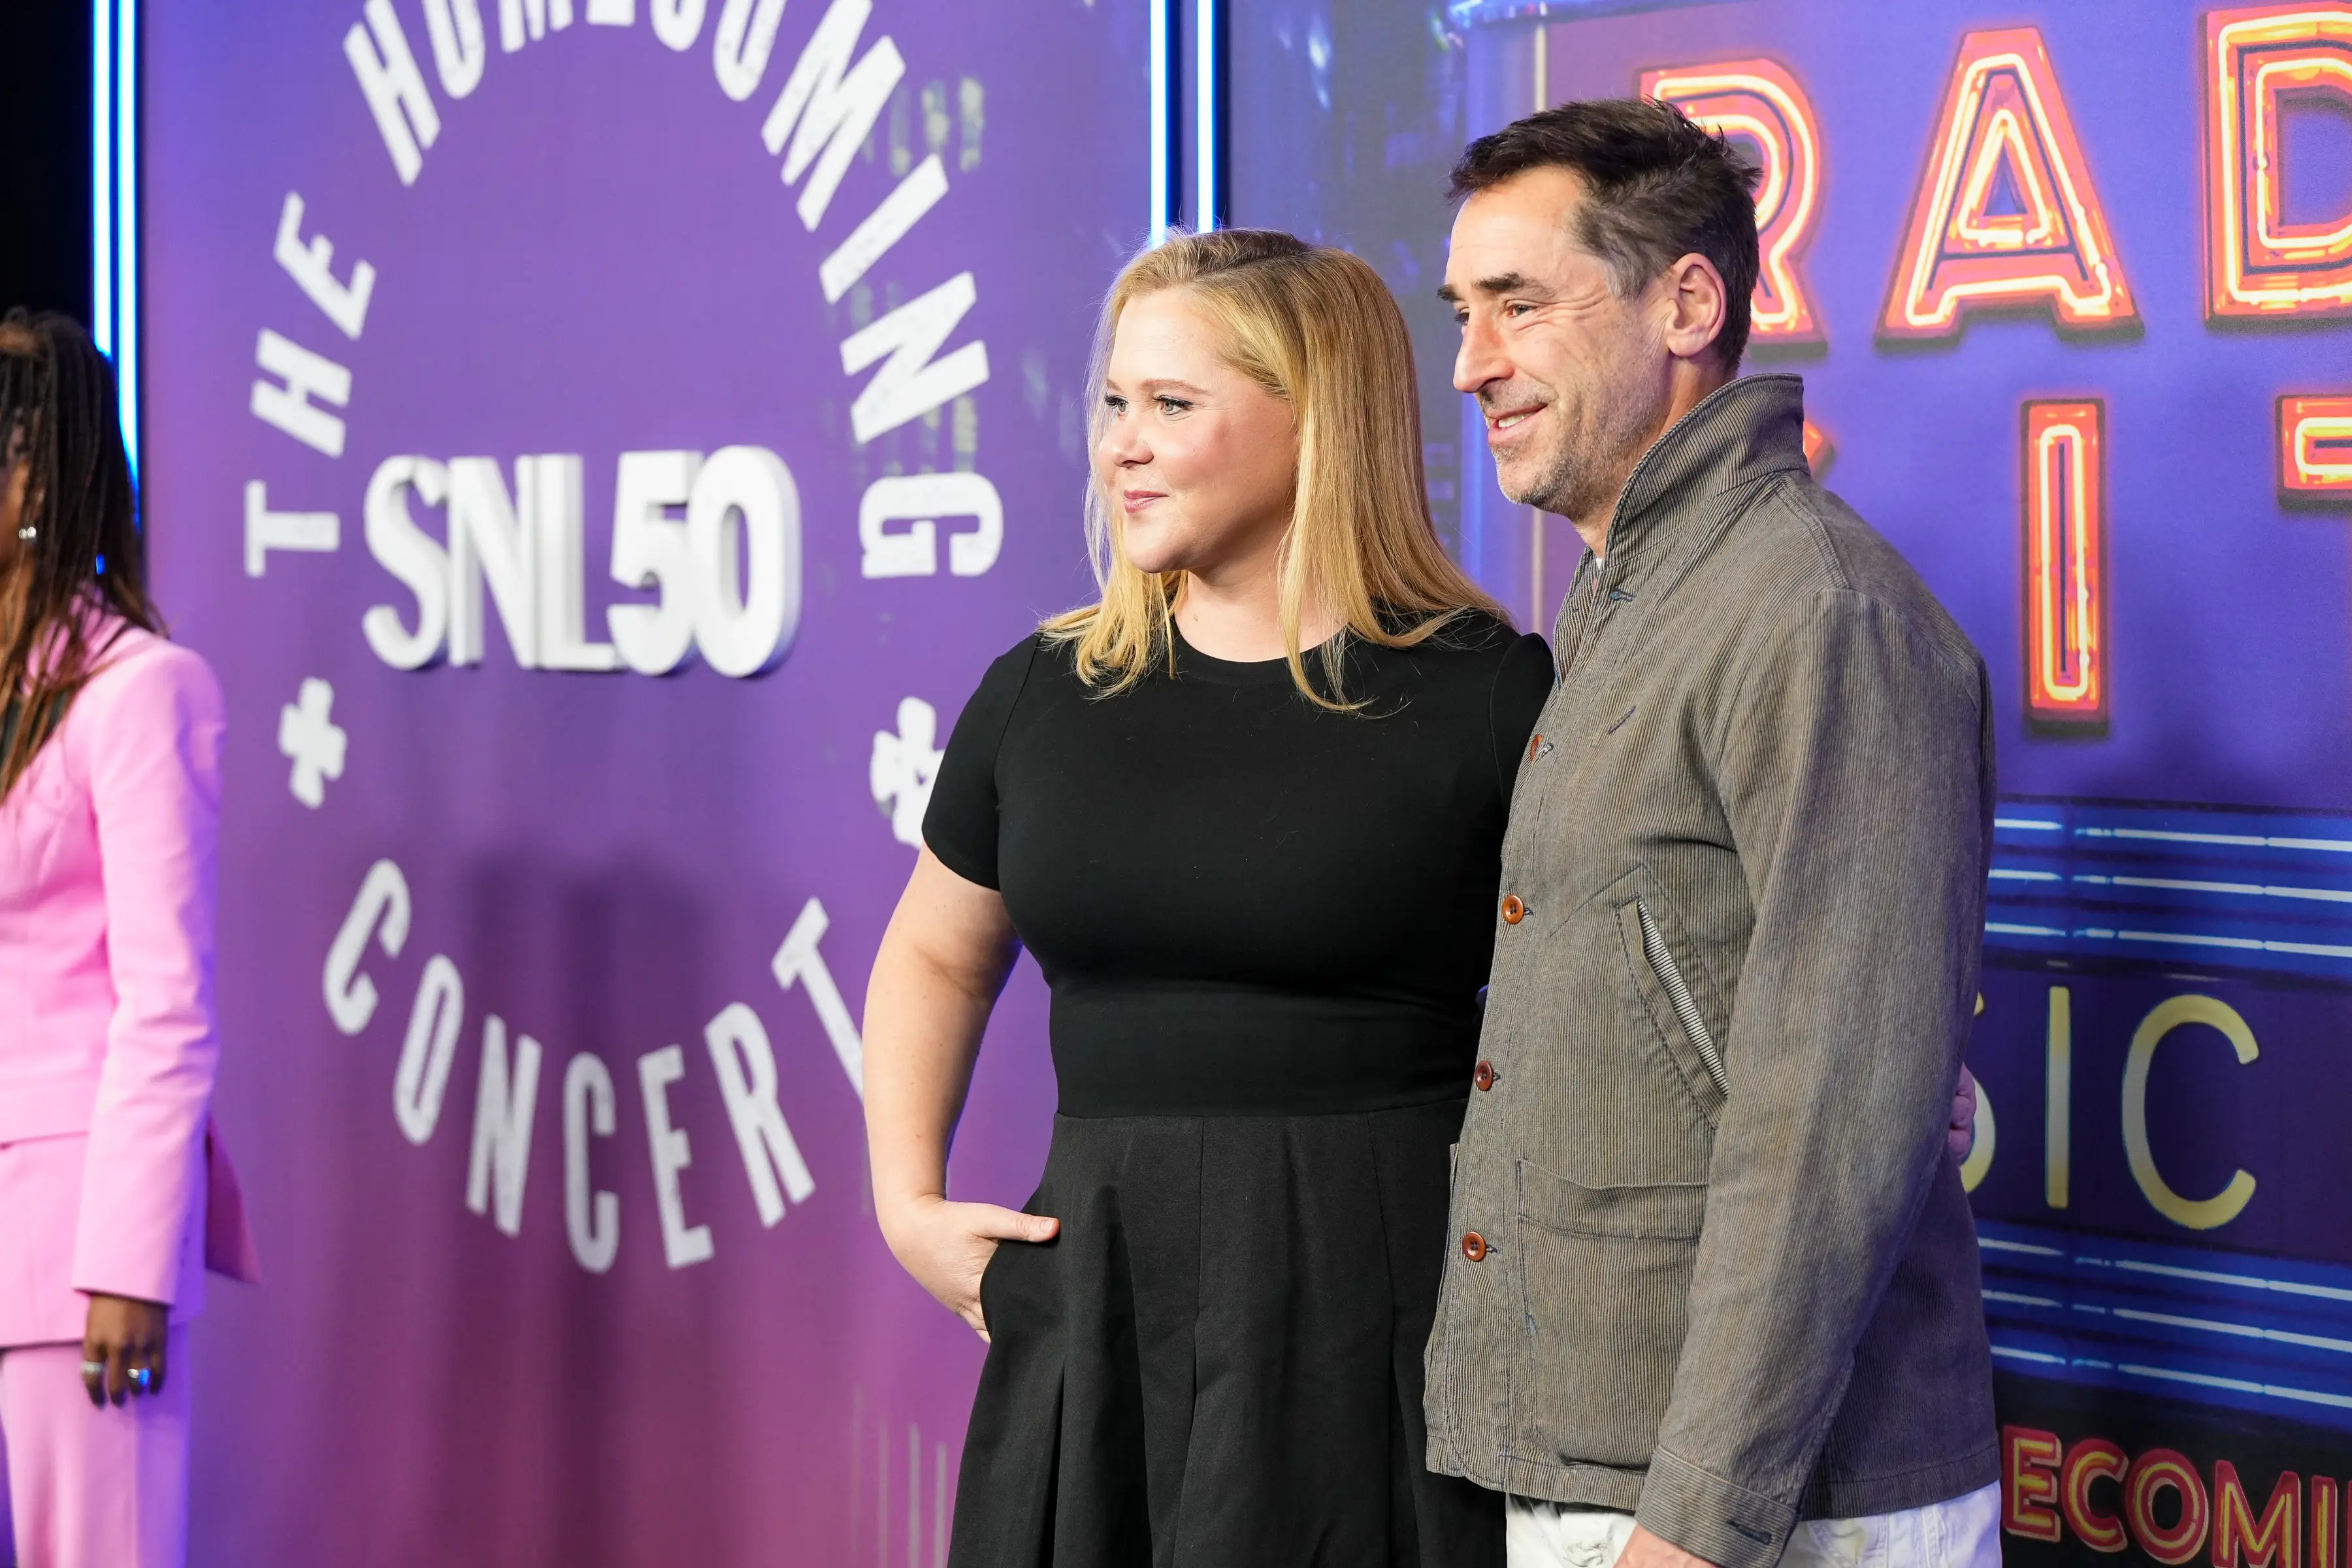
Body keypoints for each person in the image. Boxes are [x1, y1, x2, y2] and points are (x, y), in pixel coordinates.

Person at [861, 229, 1554, 1565]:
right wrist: (908, 1205)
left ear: (1321, 426)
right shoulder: (1042, 691)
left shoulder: (1488, 694)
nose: (1122, 442)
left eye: (1173, 405)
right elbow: (936, 957)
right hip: (1095, 1299)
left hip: (1382, 1318)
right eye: (1115, 402)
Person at [1426, 102, 1999, 1568]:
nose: (1473, 364)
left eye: (1518, 307)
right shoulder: (1629, 599)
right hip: (1619, 1476)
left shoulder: (1817, 608)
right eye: (1463, 314)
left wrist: (1696, 1519)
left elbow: (1832, 1122)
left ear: (1687, 299)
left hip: (1760, 1509)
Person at [0, 310, 259, 1568]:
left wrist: (130, 1261)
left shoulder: (140, 689)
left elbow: (168, 1000)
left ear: (38, 479)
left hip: (66, 1249)